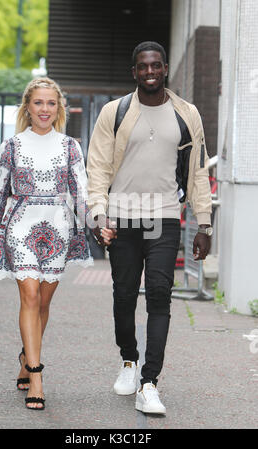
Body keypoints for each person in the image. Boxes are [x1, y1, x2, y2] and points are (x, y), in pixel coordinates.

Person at [86, 41, 212, 415]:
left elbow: (198, 170)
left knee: (159, 295)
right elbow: (98, 169)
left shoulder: (187, 113)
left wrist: (204, 222)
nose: (150, 72)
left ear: (165, 68)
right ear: (134, 72)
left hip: (165, 217)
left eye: (156, 65)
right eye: (143, 67)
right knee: (124, 297)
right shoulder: (116, 112)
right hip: (123, 218)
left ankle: (149, 383)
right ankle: (129, 359)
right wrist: (98, 215)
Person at [0, 77, 93, 410]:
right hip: (20, 226)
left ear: (59, 109)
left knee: (42, 303)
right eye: (38, 102)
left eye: (51, 103)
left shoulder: (70, 146)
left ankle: (26, 358)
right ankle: (37, 375)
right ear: (28, 106)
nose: (44, 109)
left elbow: (80, 194)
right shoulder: (11, 146)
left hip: (57, 228)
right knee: (28, 295)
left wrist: (98, 224)